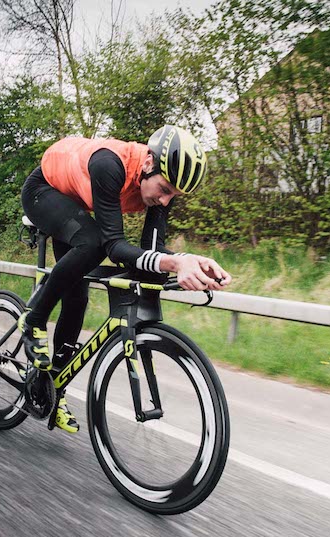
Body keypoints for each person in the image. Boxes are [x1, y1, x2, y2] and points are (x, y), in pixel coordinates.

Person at [19, 125, 232, 433]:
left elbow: (151, 252)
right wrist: (173, 262)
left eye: (175, 196)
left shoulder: (157, 185)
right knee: (92, 244)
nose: (166, 202)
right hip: (44, 191)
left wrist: (190, 262)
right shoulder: (109, 164)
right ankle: (32, 318)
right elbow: (114, 246)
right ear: (148, 164)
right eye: (165, 190)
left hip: (76, 204)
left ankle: (51, 386)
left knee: (77, 295)